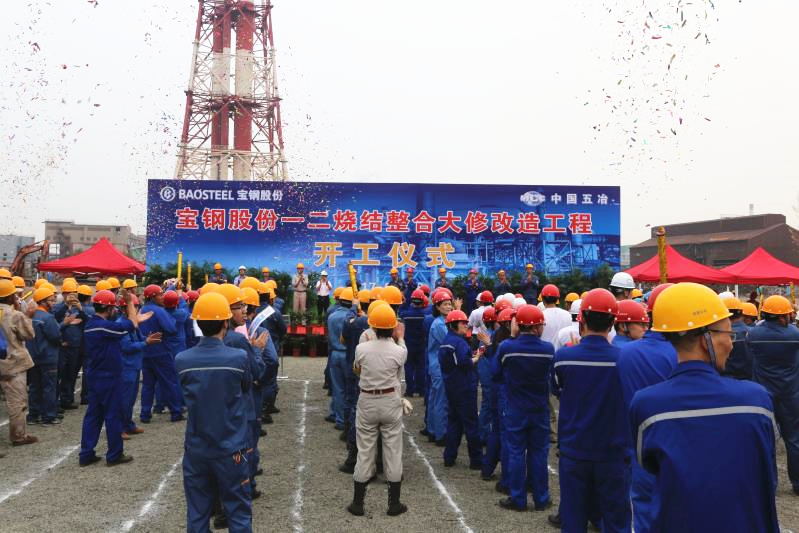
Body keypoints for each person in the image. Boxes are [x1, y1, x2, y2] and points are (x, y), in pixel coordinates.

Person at [630, 283, 779, 531]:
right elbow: (767, 473)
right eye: (728, 335)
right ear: (705, 338)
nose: (731, 344)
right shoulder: (757, 400)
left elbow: (648, 477)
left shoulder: (646, 406)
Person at [552, 289, 631, 532]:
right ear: (613, 322)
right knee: (616, 521)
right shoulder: (626, 358)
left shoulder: (564, 357)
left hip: (575, 449)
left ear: (582, 319)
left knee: (573, 519)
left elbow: (557, 389)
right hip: (613, 451)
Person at [175, 292, 253, 532]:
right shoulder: (238, 358)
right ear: (226, 323)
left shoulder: (182, 359)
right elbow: (246, 387)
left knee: (197, 512)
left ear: (198, 323)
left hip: (197, 448)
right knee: (238, 512)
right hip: (231, 447)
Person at [616, 283, 676, 532]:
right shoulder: (685, 352)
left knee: (643, 512)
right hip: (680, 446)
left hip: (639, 445)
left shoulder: (625, 352)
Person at [347, 305, 408, 517]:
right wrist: (401, 338)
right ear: (393, 328)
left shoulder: (361, 349)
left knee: (365, 450)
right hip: (390, 400)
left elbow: (357, 369)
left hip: (367, 399)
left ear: (372, 326)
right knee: (393, 450)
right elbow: (400, 368)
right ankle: (394, 503)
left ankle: (358, 503)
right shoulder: (399, 351)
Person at [495, 304, 553, 512]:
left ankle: (518, 498)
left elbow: (495, 373)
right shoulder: (548, 349)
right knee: (539, 453)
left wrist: (512, 337)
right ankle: (541, 498)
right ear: (537, 327)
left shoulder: (507, 347)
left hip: (516, 406)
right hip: (539, 408)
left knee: (516, 452)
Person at [80, 289, 146, 466]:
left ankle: (86, 453)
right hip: (108, 375)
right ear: (109, 309)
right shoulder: (104, 326)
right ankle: (115, 454)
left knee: (93, 415)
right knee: (112, 415)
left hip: (95, 374)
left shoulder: (92, 324)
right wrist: (130, 302)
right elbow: (132, 324)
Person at [747, 294, 799, 496]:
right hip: (790, 392)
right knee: (793, 439)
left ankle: (769, 484)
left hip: (764, 393)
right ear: (782, 316)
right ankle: (797, 483)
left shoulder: (753, 334)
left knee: (766, 439)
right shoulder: (794, 334)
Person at [438, 310, 486, 469]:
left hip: (452, 386)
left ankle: (449, 457)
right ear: (453, 325)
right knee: (471, 424)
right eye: (463, 323)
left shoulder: (447, 340)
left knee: (454, 423)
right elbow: (464, 363)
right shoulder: (458, 342)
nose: (466, 325)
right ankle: (476, 460)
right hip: (464, 388)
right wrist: (476, 358)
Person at [0, 279, 38, 446]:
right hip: (12, 364)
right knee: (16, 402)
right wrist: (28, 316)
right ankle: (18, 436)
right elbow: (29, 335)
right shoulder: (14, 315)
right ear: (10, 297)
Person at [138, 285, 184, 423]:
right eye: (160, 295)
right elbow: (171, 329)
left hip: (146, 352)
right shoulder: (159, 311)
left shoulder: (141, 310)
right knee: (170, 382)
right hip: (161, 351)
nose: (162, 297)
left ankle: (145, 414)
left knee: (148, 385)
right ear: (153, 297)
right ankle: (176, 412)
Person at [29, 286, 73, 425]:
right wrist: (64, 325)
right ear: (42, 301)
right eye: (51, 300)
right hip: (48, 357)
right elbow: (55, 336)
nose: (53, 303)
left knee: (35, 387)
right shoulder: (47, 318)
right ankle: (48, 416)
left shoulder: (32, 316)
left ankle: (33, 415)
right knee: (49, 387)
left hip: (34, 357)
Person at [119, 294, 158, 439]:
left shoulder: (132, 324)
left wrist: (147, 338)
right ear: (124, 309)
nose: (136, 309)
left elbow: (140, 337)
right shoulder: (122, 325)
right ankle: (119, 427)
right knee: (124, 398)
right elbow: (127, 347)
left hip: (133, 366)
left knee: (131, 397)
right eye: (134, 306)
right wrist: (146, 342)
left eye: (136, 306)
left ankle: (128, 424)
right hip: (126, 367)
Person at [52, 279, 88, 410]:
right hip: (62, 346)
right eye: (69, 293)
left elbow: (88, 321)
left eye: (74, 293)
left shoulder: (78, 308)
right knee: (58, 375)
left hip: (75, 346)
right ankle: (54, 403)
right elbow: (54, 322)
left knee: (70, 375)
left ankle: (66, 400)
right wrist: (65, 306)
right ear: (63, 294)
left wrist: (80, 309)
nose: (72, 296)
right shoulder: (57, 307)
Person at [426, 289, 454, 446]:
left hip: (436, 365)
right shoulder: (439, 324)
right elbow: (450, 341)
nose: (448, 307)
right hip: (440, 366)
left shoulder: (441, 322)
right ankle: (440, 434)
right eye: (445, 304)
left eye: (449, 304)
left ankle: (432, 430)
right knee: (440, 401)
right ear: (437, 306)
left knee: (434, 399)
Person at [327, 287, 356, 428]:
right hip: (348, 354)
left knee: (337, 388)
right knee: (350, 388)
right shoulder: (352, 318)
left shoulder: (331, 316)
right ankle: (348, 419)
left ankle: (339, 419)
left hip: (334, 354)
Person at [399, 289, 427, 397]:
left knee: (409, 367)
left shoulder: (407, 314)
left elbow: (400, 312)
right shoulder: (425, 314)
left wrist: (403, 302)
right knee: (421, 368)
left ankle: (410, 390)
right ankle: (421, 390)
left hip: (409, 344)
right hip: (421, 344)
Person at [721, 297, 754, 380]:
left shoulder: (718, 335)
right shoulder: (753, 332)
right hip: (750, 380)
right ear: (742, 314)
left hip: (726, 380)